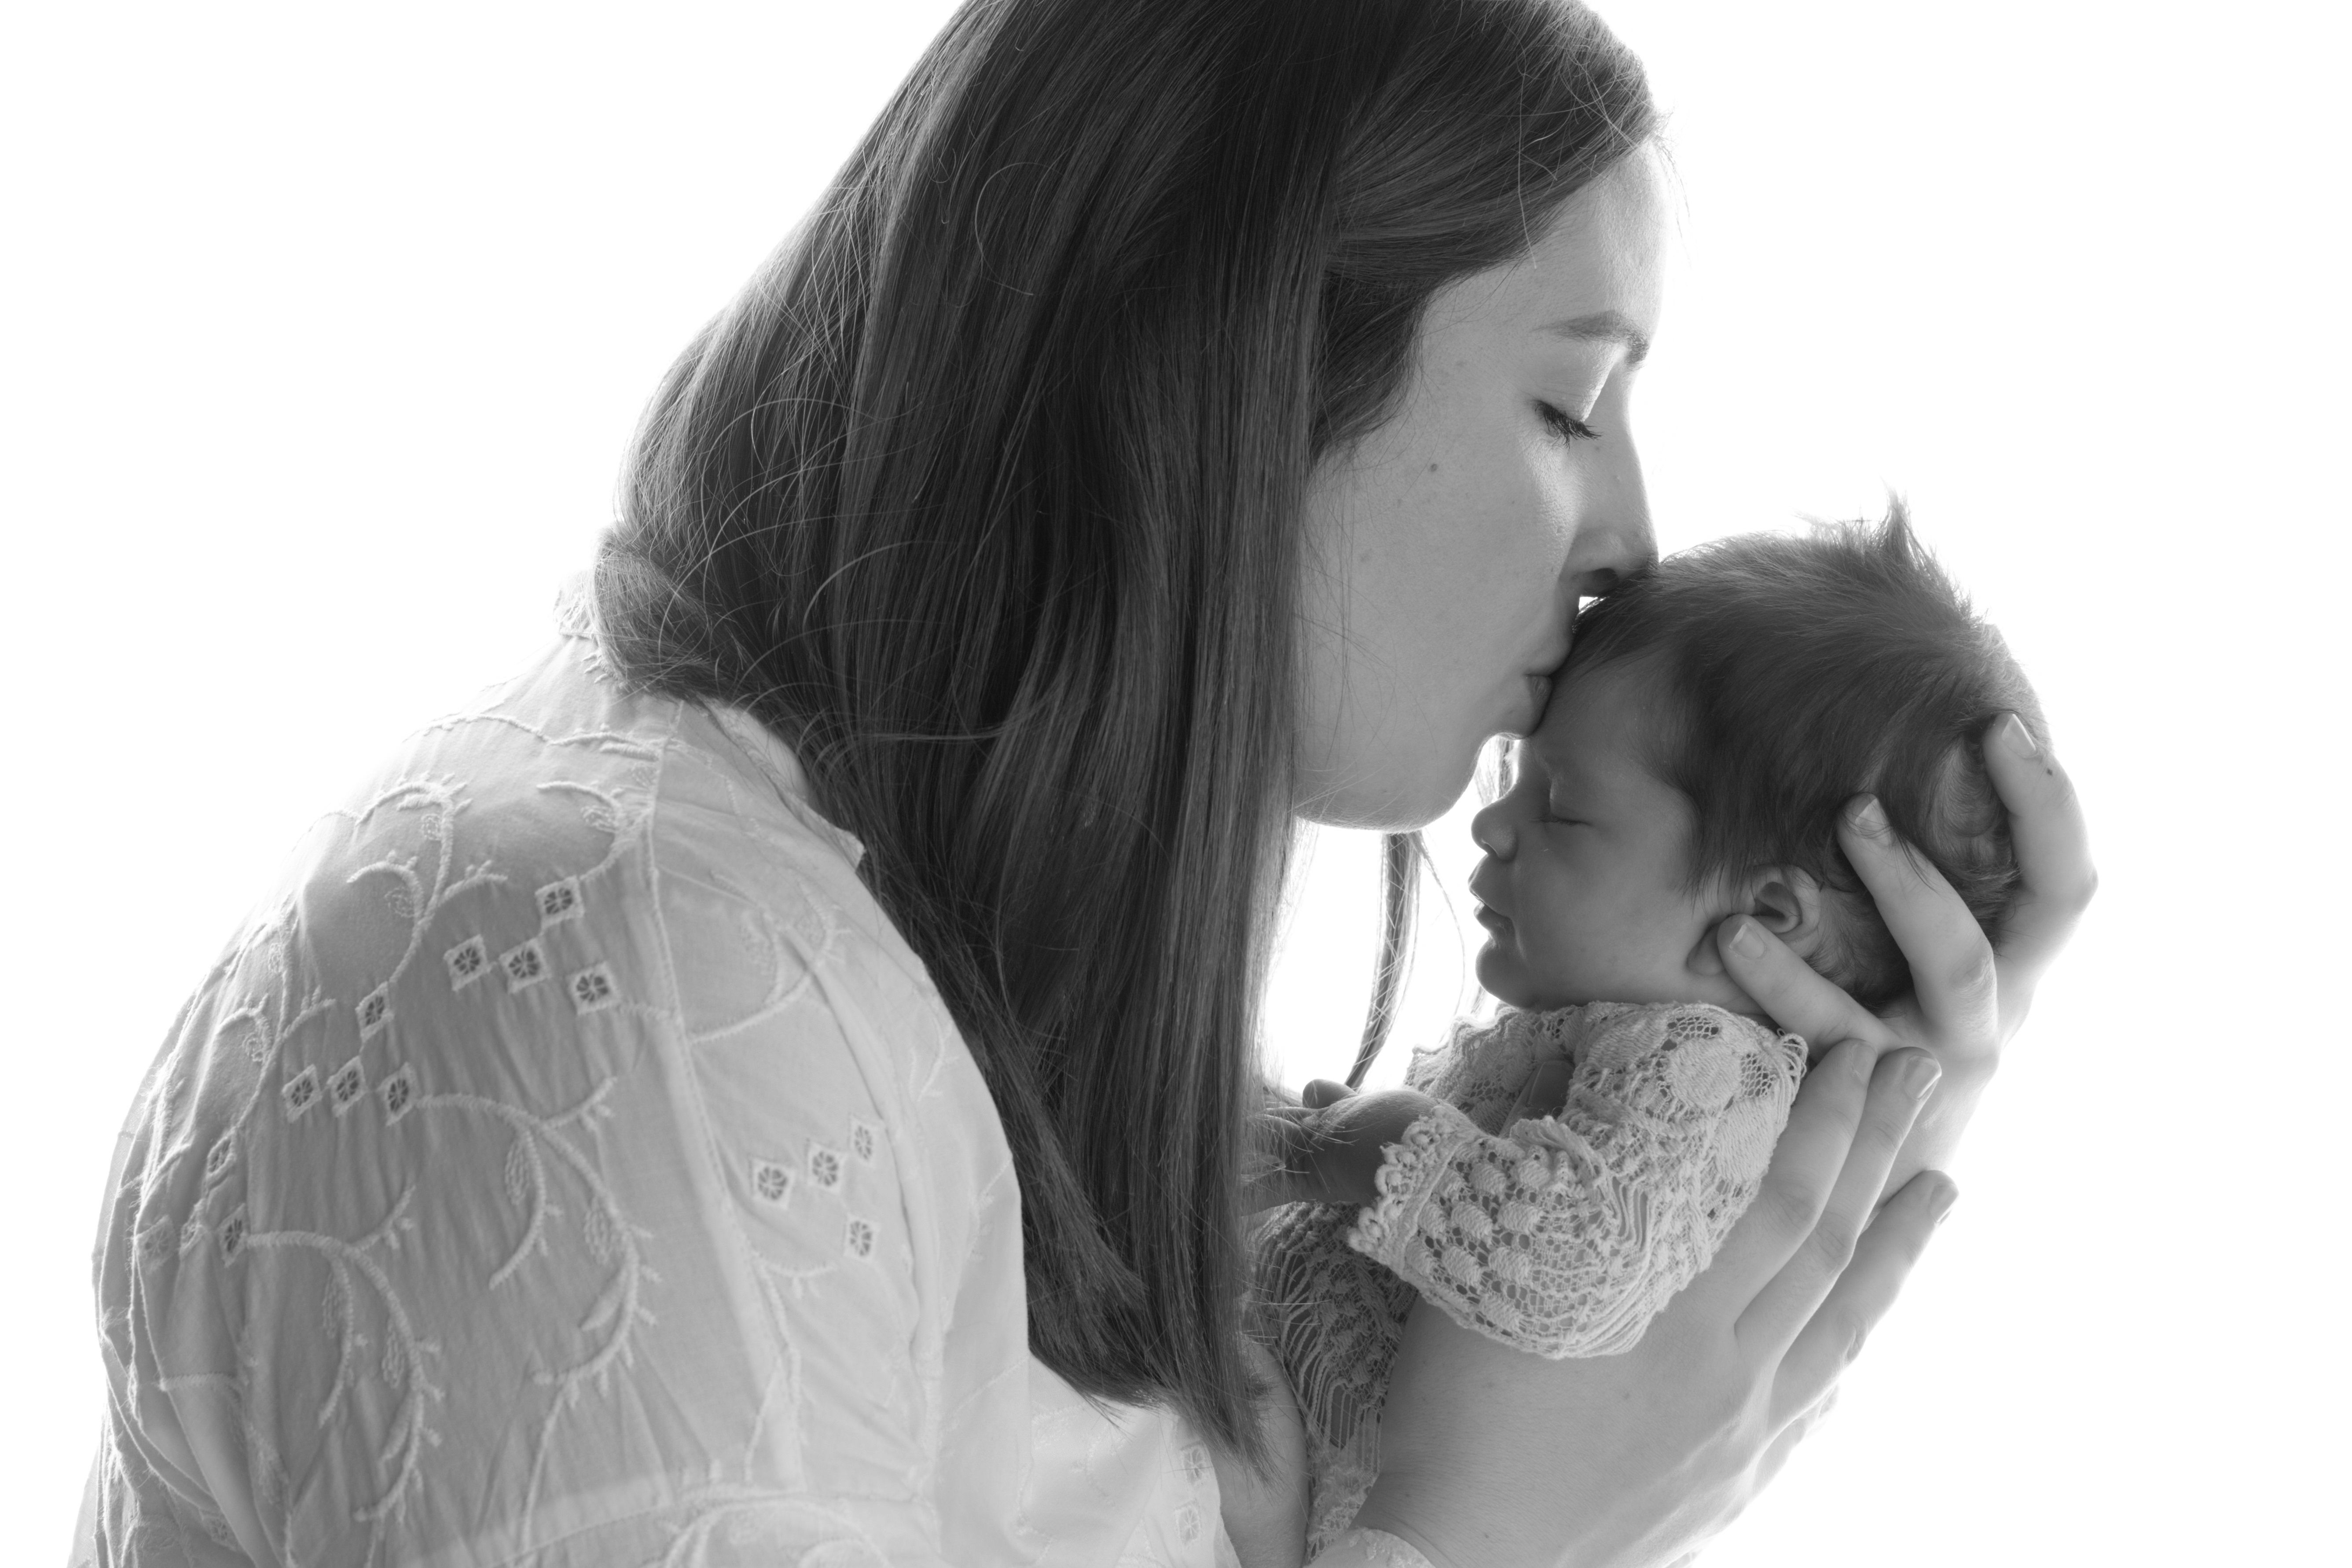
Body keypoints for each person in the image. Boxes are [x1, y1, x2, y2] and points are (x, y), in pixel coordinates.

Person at [71, 2, 2095, 1565]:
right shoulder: (643, 989)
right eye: (1565, 396)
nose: (1630, 544)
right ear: (1217, 371)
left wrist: (1816, 1093)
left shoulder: (983, 1011)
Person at [1233, 512, 2049, 1564]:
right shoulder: (1636, 1043)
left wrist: (1367, 1144)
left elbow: (1570, 1263)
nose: (1491, 827)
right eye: (1515, 778)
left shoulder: (1708, 1069)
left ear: (1765, 918)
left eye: (1562, 809)